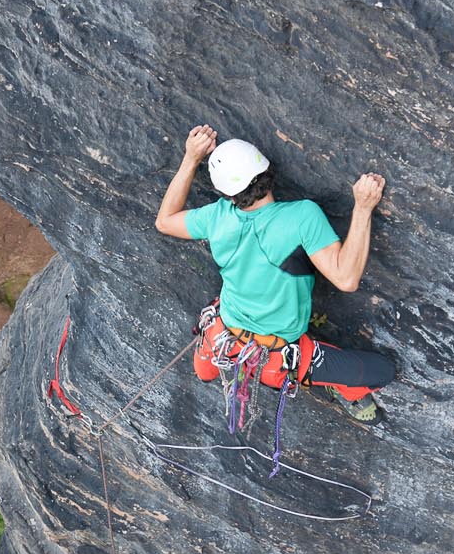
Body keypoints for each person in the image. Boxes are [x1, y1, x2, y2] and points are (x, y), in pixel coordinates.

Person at [155, 125, 395, 422]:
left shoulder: (216, 216)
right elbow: (346, 278)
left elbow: (165, 222)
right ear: (267, 169)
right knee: (382, 371)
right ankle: (343, 389)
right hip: (280, 356)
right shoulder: (301, 217)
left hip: (225, 336)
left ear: (226, 193)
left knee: (205, 373)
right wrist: (363, 207)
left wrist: (191, 159)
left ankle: (223, 358)